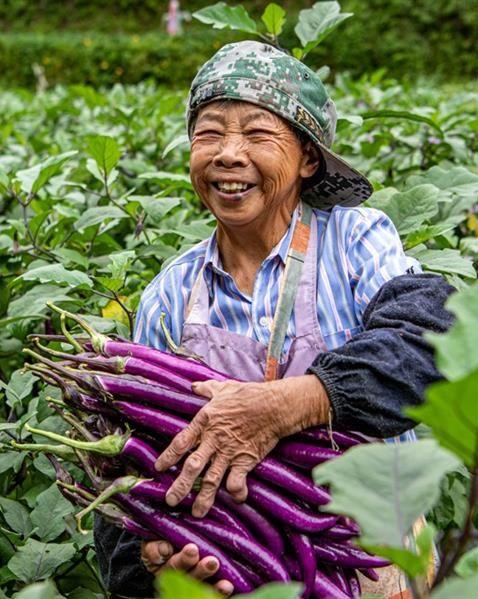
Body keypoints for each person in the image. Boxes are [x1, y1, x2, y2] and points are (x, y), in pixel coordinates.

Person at [94, 40, 454, 598]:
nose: (228, 154)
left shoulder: (355, 241)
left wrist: (292, 404)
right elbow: (138, 474)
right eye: (209, 133)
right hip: (239, 568)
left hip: (372, 557)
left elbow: (430, 340)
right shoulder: (170, 294)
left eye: (258, 134)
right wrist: (155, 558)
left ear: (308, 158)